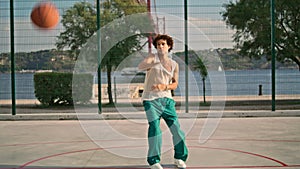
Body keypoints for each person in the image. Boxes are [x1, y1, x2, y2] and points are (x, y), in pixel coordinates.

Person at [138, 34, 188, 169]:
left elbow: (175, 84)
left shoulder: (174, 65)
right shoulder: (151, 58)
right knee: (155, 128)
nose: (160, 46)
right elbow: (140, 67)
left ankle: (179, 158)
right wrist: (154, 62)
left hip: (167, 100)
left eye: (163, 44)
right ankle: (154, 161)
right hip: (150, 99)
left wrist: (164, 86)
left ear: (169, 46)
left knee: (176, 129)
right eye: (158, 44)